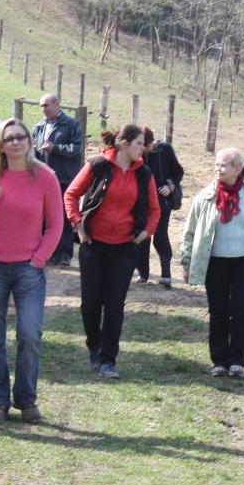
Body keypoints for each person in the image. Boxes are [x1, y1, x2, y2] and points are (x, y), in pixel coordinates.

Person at [0, 119, 64, 423]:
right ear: (0, 144)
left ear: (30, 142)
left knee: (30, 334)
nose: (16, 143)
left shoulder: (45, 177)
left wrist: (39, 259)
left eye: (21, 137)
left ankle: (26, 400)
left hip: (28, 271)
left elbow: (56, 224)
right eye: (9, 139)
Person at [64, 125, 159, 380]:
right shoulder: (97, 166)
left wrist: (145, 232)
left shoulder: (144, 174)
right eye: (139, 143)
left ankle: (108, 360)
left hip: (125, 248)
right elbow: (71, 194)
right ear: (124, 144)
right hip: (93, 245)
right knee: (91, 303)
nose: (144, 148)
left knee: (115, 305)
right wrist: (78, 226)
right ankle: (94, 346)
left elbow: (155, 210)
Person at [180, 148, 244, 378]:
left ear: (237, 169)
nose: (217, 169)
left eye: (223, 165)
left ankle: (237, 361)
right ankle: (219, 361)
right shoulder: (205, 196)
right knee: (219, 311)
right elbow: (190, 232)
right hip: (216, 262)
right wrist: (186, 260)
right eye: (216, 164)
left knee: (242, 309)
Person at [32, 94, 84, 265]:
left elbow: (76, 149)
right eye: (41, 106)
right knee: (44, 216)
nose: (43, 109)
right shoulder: (38, 127)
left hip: (63, 179)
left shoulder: (72, 124)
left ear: (57, 105)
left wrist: (55, 148)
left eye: (46, 105)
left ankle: (64, 255)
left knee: (62, 216)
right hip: (43, 179)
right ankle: (48, 252)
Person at [137, 126, 184, 287]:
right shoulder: (136, 155)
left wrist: (169, 186)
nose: (143, 149)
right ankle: (143, 274)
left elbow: (178, 171)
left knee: (160, 235)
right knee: (143, 236)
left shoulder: (164, 150)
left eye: (145, 145)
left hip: (162, 201)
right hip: (142, 203)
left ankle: (166, 274)